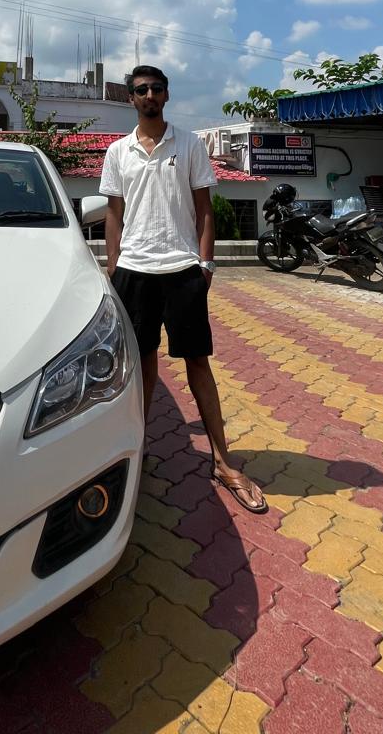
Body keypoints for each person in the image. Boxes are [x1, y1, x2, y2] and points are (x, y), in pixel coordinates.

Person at [100, 65, 267, 514]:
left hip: (182, 269)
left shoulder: (190, 144)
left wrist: (205, 264)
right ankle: (135, 448)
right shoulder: (117, 152)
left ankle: (222, 460)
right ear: (130, 99)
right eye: (140, 90)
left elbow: (204, 210)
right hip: (134, 270)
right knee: (143, 366)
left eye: (155, 88)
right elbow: (114, 215)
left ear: (166, 95)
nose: (149, 95)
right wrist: (115, 270)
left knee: (198, 363)